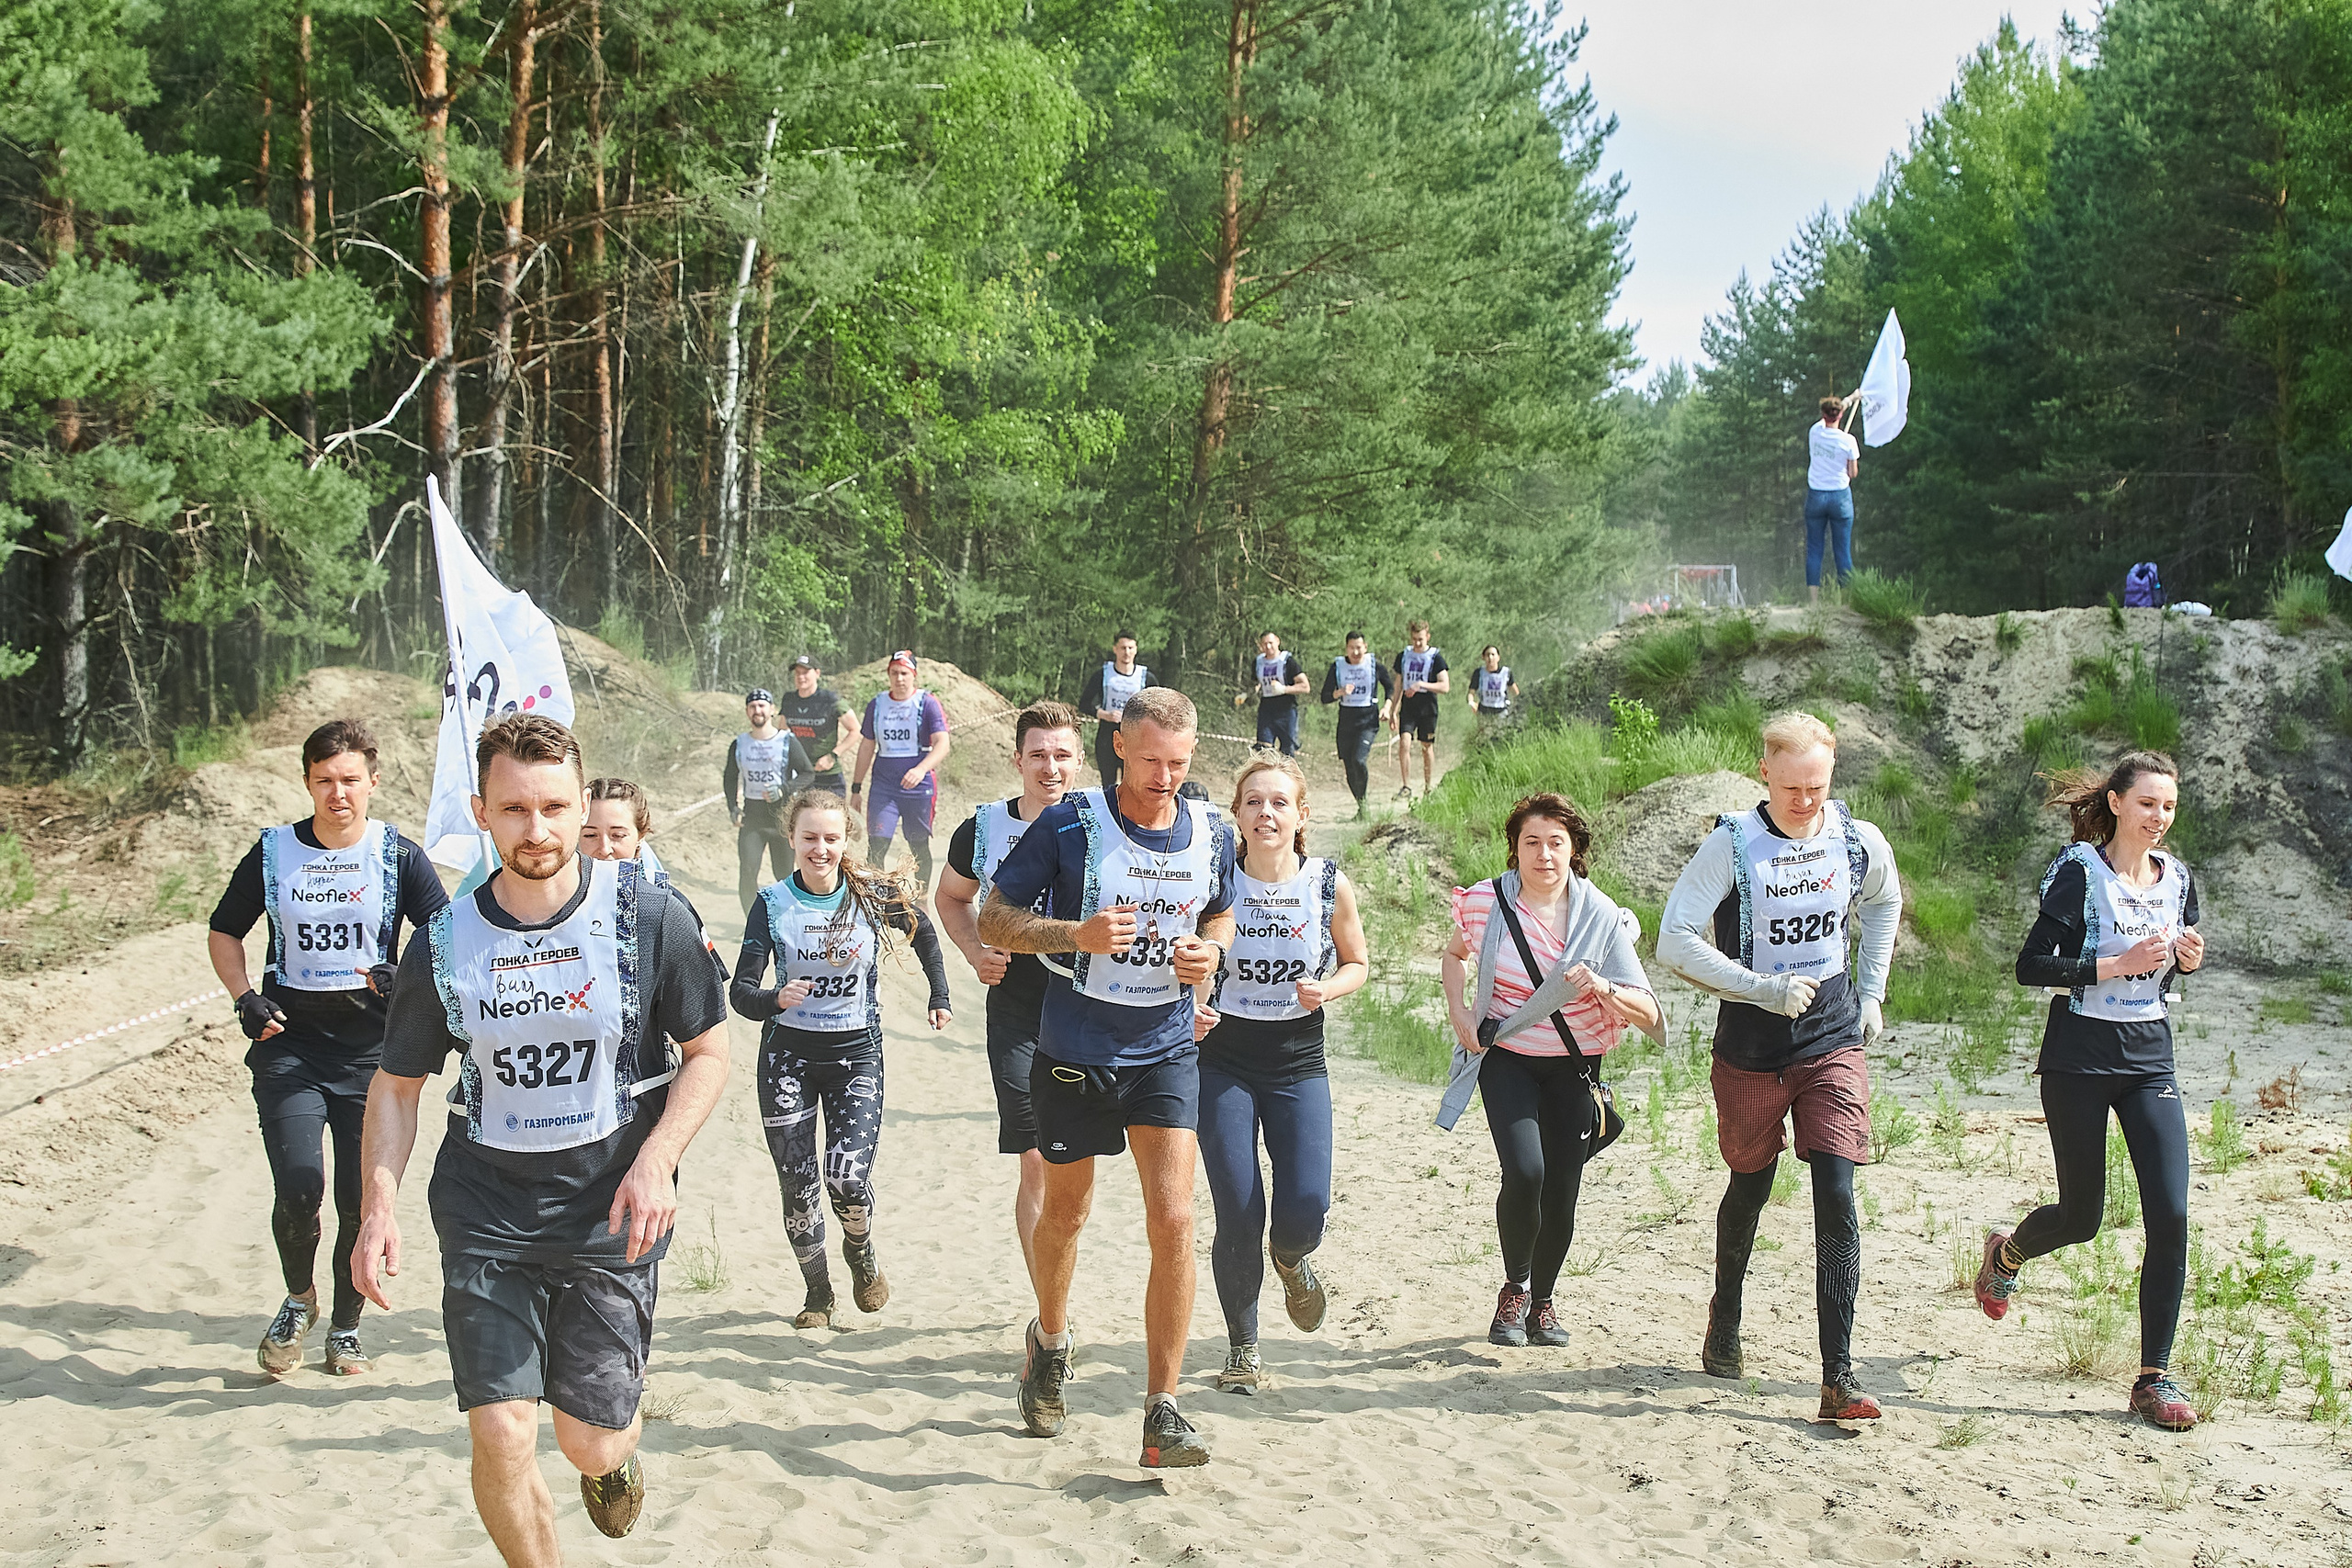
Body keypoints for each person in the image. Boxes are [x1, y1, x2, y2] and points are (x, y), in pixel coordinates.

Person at [355, 714, 730, 1555]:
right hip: (485, 1206)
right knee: (502, 1433)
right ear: (482, 812)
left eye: (555, 806)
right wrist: (378, 1206)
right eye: (515, 809)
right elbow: (397, 1084)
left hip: (612, 1206)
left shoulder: (648, 916)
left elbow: (709, 1051)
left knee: (589, 1440)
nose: (539, 829)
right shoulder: (446, 944)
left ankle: (611, 1460)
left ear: (581, 801)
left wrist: (660, 1159)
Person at [978, 685, 1238, 1469]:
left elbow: (1220, 911)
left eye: (1181, 764)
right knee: (1066, 1214)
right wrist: (1075, 933)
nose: (1166, 777)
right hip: (1076, 1045)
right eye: (1153, 759)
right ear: (1121, 745)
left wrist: (1211, 953)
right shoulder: (1070, 824)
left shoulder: (1210, 832)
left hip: (1164, 1047)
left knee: (1176, 1219)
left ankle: (1163, 1407)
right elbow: (994, 917)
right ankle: (1051, 1337)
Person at [1657, 710, 1901, 1422]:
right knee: (1749, 1187)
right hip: (1751, 1050)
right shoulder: (1732, 844)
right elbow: (1674, 939)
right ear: (1763, 772)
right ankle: (1725, 1310)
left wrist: (1873, 989)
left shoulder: (1855, 838)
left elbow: (1885, 902)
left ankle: (1839, 1377)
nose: (1805, 801)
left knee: (1837, 1191)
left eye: (1817, 786)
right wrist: (1760, 987)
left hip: (1830, 1039)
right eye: (1792, 786)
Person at [206, 718, 447, 1379]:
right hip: (291, 1046)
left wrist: (412, 976)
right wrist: (242, 996)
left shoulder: (398, 855)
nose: (337, 793)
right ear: (307, 782)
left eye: (349, 779)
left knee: (355, 1200)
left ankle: (345, 1327)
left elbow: (445, 935)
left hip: (374, 1056)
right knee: (298, 1186)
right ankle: (298, 1298)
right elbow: (225, 928)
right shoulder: (273, 852)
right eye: (324, 781)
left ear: (373, 780)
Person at [1973, 751, 2207, 1432]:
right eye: (2147, 804)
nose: (2159, 817)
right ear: (2115, 804)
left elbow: (2170, 965)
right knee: (2083, 1217)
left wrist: (2186, 959)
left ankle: (2153, 1378)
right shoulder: (2080, 871)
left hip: (2148, 1059)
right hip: (2078, 1057)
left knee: (2171, 1214)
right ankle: (2006, 1254)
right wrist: (2113, 963)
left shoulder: (2178, 878)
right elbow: (2030, 965)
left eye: (2168, 805)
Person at [1438, 794, 1659, 1349]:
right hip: (1506, 1057)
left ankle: (1543, 1302)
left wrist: (1602, 986)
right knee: (1527, 1171)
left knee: (1563, 1187)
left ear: (1574, 850)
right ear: (1514, 849)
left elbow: (1649, 1011)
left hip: (1576, 1065)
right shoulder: (1487, 902)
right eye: (1531, 842)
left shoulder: (1601, 917)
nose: (1543, 855)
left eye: (1555, 843)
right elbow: (1453, 955)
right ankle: (1514, 1285)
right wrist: (1461, 1012)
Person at [731, 789, 952, 1327]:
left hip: (856, 1055)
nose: (820, 849)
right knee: (799, 1186)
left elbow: (923, 933)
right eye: (809, 838)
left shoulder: (870, 895)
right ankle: (818, 1296)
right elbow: (740, 992)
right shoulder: (772, 903)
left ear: (846, 839)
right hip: (787, 1058)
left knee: (845, 1178)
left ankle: (861, 1249)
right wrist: (773, 1000)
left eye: (831, 838)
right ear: (792, 840)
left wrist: (939, 994)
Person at [1199, 757, 1368, 1393]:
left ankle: (1292, 1260)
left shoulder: (1327, 883)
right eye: (1253, 802)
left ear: (1301, 816)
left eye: (1279, 803)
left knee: (1305, 1209)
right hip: (1224, 1056)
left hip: (1298, 1056)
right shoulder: (1217, 884)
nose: (1266, 813)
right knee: (1238, 1210)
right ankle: (1243, 1346)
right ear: (1237, 815)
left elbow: (1358, 961)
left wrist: (1328, 987)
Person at [933, 701, 1085, 1297]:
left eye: (1062, 755)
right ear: (1018, 758)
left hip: (1088, 1010)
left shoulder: (1104, 825)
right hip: (1018, 1010)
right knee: (1037, 1161)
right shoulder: (984, 828)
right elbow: (949, 898)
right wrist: (975, 952)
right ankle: (1052, 1312)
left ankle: (1056, 1288)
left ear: (1078, 761)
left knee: (1069, 1171)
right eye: (1039, 755)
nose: (1051, 767)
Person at [582, 777, 728, 982]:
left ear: (640, 836)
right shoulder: (547, 904)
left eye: (618, 835)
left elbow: (704, 990)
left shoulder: (669, 905)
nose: (604, 849)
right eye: (590, 835)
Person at [852, 651, 951, 895]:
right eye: (894, 673)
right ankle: (878, 900)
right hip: (884, 785)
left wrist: (920, 769)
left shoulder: (926, 703)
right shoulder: (877, 704)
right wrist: (856, 787)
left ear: (914, 675)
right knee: (877, 844)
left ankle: (922, 898)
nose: (899, 679)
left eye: (904, 673)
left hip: (917, 786)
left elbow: (942, 744)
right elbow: (866, 746)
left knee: (917, 844)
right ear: (888, 675)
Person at [726, 688, 816, 917]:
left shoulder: (787, 741)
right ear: (747, 711)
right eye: (753, 706)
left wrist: (784, 789)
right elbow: (729, 778)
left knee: (784, 873)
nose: (758, 710)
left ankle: (789, 918)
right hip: (753, 819)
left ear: (772, 710)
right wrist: (733, 808)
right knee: (747, 871)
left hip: (781, 819)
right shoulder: (739, 744)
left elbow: (807, 773)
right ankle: (751, 923)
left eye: (762, 705)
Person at [1318, 630, 1392, 819]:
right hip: (1346, 723)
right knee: (1349, 766)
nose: (1356, 652)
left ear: (1365, 647)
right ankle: (1361, 807)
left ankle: (1364, 801)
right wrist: (1340, 692)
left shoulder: (1374, 665)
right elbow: (1325, 697)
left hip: (1368, 721)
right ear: (1346, 649)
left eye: (1359, 647)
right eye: (1352, 648)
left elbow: (1390, 687)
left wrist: (1388, 707)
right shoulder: (1338, 666)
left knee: (1359, 760)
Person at [1078, 632, 1150, 797]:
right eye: (1123, 648)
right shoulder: (1104, 675)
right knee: (1108, 787)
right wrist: (1104, 714)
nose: (1127, 652)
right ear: (1115, 649)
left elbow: (1157, 707)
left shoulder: (1145, 677)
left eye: (1130, 648)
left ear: (1136, 650)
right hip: (1107, 736)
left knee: (1132, 785)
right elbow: (1084, 703)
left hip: (1135, 737)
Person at [1805, 395, 1860, 603]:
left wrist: (1848, 399)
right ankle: (1845, 601)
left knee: (1814, 549)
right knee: (1842, 551)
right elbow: (1852, 472)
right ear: (1841, 415)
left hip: (1817, 494)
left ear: (1823, 414)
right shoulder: (1848, 441)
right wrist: (1851, 399)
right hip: (1840, 497)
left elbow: (1830, 415)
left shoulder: (1815, 433)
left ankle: (1813, 602)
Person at [1385, 620, 1449, 801]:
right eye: (1414, 639)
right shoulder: (1404, 656)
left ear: (1427, 637)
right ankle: (1406, 786)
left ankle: (1428, 788)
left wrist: (1422, 684)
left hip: (1427, 707)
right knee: (1404, 743)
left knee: (1426, 747)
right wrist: (1393, 710)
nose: (1417, 643)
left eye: (1420, 639)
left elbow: (1445, 686)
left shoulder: (1436, 657)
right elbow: (1398, 684)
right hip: (1409, 706)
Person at [777, 656, 858, 796]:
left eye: (805, 672)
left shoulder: (829, 700)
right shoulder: (789, 700)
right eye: (797, 673)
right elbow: (782, 733)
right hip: (800, 775)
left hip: (828, 776)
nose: (801, 677)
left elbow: (855, 729)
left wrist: (833, 755)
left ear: (817, 673)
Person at [1236, 630, 1308, 758]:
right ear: (1260, 646)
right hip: (1267, 709)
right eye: (1264, 644)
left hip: (1287, 710)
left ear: (1278, 642)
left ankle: (1287, 777)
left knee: (1287, 752)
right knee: (1263, 750)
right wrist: (1245, 695)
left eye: (1270, 643)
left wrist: (1284, 689)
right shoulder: (1258, 662)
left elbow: (1305, 686)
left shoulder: (1287, 661)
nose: (1268, 647)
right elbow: (1256, 684)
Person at [1467, 646, 1518, 739]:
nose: (1490, 658)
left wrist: (1518, 707)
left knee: (1501, 738)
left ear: (1498, 657)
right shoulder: (1479, 673)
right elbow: (1471, 691)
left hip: (1501, 712)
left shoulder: (1506, 673)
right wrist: (1471, 702)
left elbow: (1515, 692)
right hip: (1484, 712)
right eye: (1487, 655)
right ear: (1483, 657)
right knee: (1484, 738)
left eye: (1493, 655)